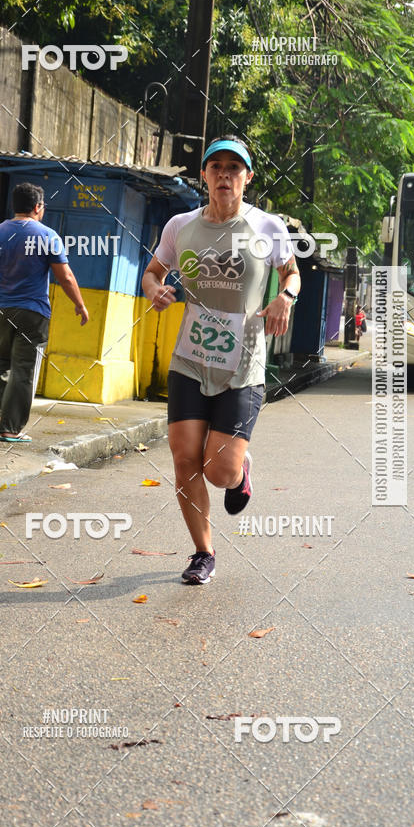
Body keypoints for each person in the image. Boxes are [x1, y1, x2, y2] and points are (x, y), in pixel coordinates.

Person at [141, 135, 301, 585]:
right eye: (217, 167)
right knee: (184, 459)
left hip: (242, 367)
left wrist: (285, 297)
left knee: (219, 470)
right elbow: (152, 273)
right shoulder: (180, 226)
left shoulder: (267, 227)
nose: (225, 175)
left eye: (234, 168)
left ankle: (240, 472)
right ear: (205, 175)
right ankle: (203, 553)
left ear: (247, 178)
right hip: (190, 360)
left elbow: (291, 273)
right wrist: (156, 291)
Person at [0, 182, 89, 443]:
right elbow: (65, 276)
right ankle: (11, 429)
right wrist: (80, 304)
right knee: (24, 368)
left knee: (2, 359)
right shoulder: (47, 235)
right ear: (38, 207)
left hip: (1, 308)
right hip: (33, 311)